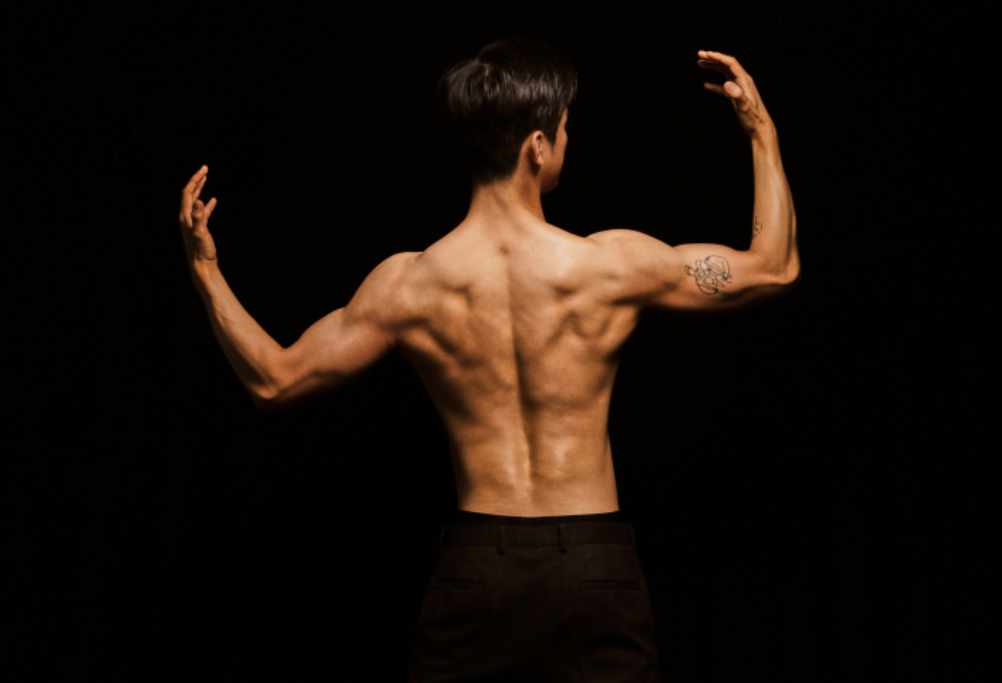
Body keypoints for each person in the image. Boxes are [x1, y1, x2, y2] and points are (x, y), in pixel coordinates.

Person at [178, 38, 798, 682]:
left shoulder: (409, 285)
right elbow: (774, 267)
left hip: (477, 570)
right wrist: (762, 132)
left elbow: (274, 381)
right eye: (564, 129)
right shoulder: (610, 266)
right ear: (538, 145)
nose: (567, 140)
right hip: (592, 567)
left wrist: (206, 271)